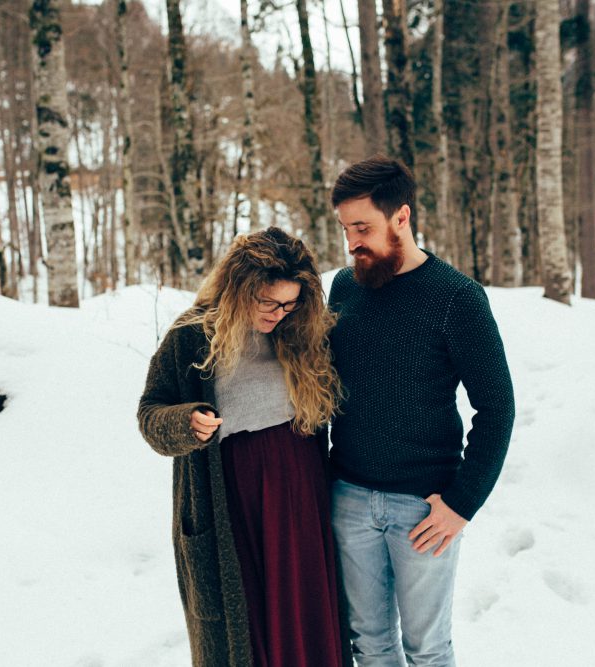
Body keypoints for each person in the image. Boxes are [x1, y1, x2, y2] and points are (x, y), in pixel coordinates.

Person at [327, 156, 516, 666]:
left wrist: (461, 504)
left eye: (363, 228)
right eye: (346, 229)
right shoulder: (344, 288)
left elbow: (497, 408)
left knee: (427, 649)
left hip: (424, 508)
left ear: (402, 217)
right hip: (348, 498)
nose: (352, 242)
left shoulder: (457, 297)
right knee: (368, 643)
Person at [137, 227, 350, 667]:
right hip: (230, 496)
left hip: (301, 490)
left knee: (305, 612)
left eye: (290, 304)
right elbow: (149, 413)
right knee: (246, 629)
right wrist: (185, 422)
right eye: (268, 302)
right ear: (238, 288)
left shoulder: (302, 333)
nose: (278, 314)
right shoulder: (192, 336)